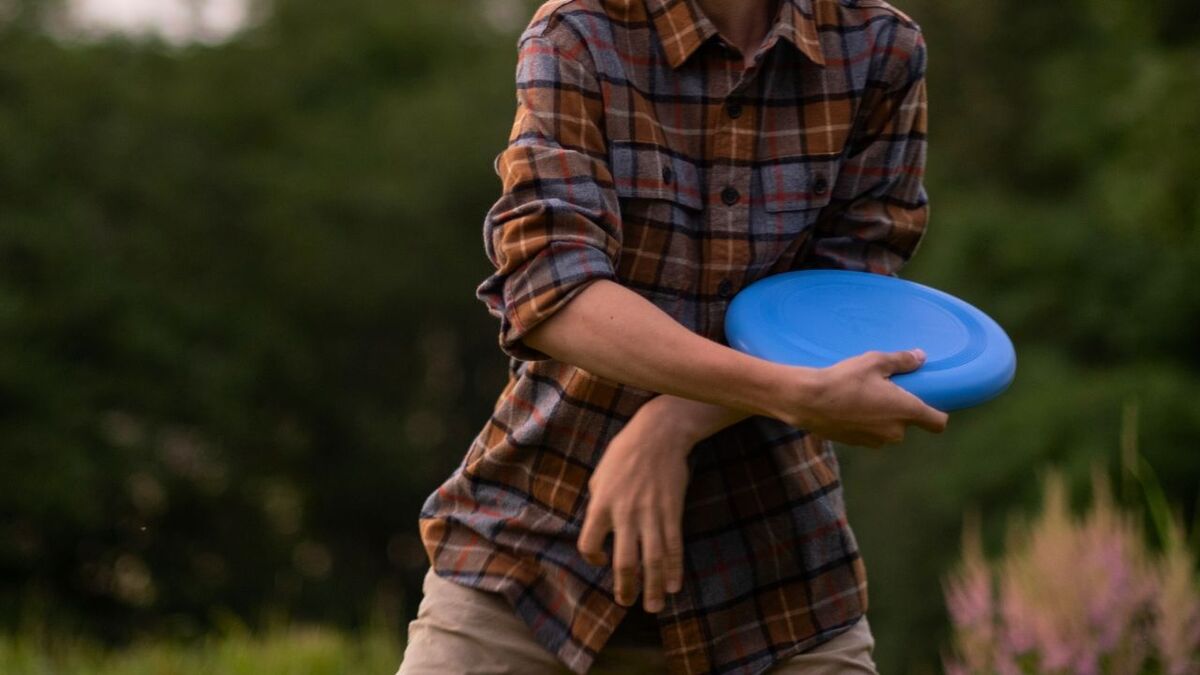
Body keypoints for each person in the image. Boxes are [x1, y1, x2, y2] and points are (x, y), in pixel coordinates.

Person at [398, 0, 947, 672]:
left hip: (777, 579)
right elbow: (555, 290)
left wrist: (677, 421)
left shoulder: (881, 49)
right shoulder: (578, 34)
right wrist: (786, 391)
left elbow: (846, 302)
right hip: (534, 553)